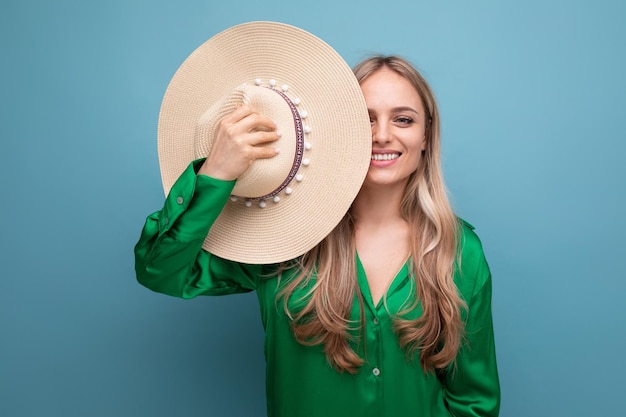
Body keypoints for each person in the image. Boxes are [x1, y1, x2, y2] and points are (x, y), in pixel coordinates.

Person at [135, 22, 499, 417]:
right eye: (366, 118)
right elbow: (160, 270)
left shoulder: (460, 251)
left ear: (427, 135)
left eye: (403, 119)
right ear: (344, 128)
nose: (382, 135)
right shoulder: (277, 240)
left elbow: (474, 401)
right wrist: (216, 174)